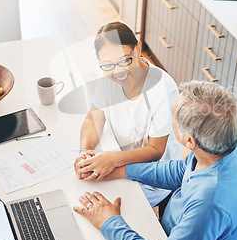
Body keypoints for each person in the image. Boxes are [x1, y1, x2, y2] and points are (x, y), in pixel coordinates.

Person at [74, 81, 237, 240]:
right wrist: (122, 169)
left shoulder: (210, 203)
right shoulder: (231, 134)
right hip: (180, 235)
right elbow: (183, 170)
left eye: (171, 116)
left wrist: (109, 221)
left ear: (189, 141)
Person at [74, 21, 181, 207]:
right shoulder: (108, 76)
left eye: (125, 60)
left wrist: (111, 160)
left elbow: (156, 150)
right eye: (107, 64)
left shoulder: (163, 90)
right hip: (120, 160)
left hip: (154, 178)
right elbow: (94, 117)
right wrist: (85, 152)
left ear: (138, 49)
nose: (118, 71)